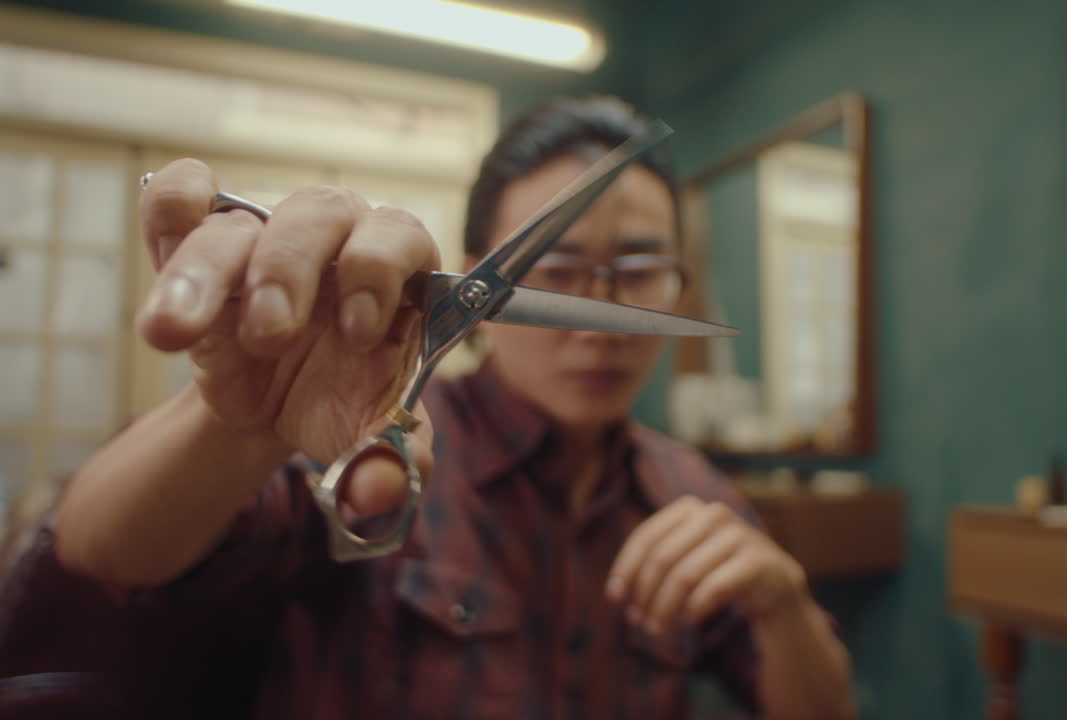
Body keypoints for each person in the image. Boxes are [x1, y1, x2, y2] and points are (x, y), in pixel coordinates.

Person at [0, 96, 854, 719]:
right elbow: (102, 557)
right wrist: (234, 423)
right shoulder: (367, 436)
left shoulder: (686, 487)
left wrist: (781, 603)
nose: (600, 321)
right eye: (555, 272)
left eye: (638, 272)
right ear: (484, 279)